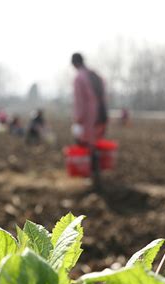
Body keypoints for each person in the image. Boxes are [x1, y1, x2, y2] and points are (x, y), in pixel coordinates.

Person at [71, 52, 108, 187]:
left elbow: (80, 102)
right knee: (96, 144)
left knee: (86, 145)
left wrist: (78, 119)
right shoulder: (95, 75)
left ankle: (91, 176)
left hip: (89, 117)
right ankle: (97, 174)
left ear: (74, 64)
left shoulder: (79, 78)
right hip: (101, 114)